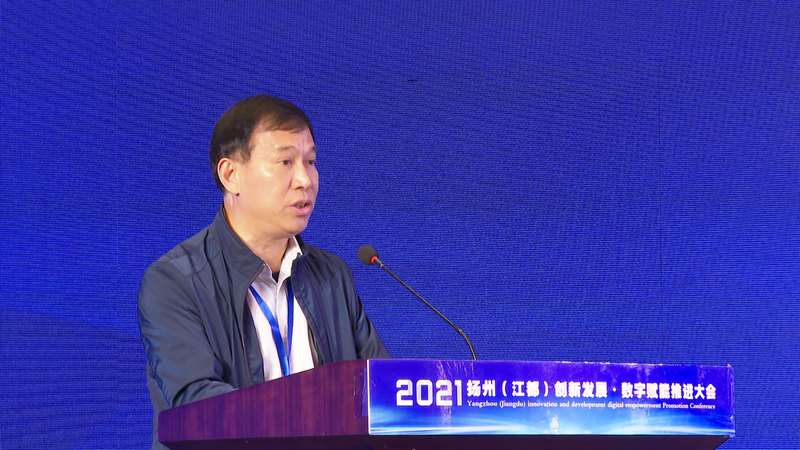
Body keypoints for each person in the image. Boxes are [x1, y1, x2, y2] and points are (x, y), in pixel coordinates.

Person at [138, 94, 390, 449]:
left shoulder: (332, 275)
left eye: (310, 161)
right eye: (285, 161)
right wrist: (320, 415)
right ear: (231, 175)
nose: (304, 179)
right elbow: (199, 407)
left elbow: (383, 392)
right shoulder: (174, 282)